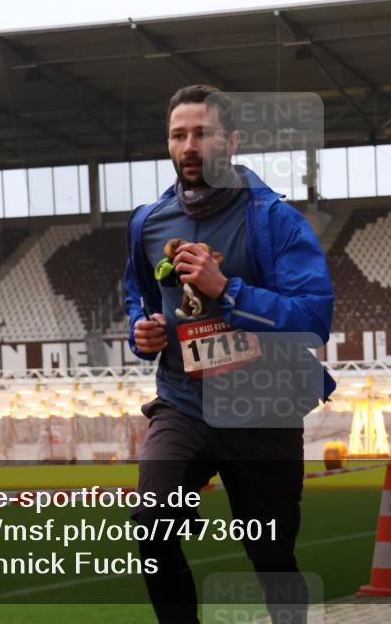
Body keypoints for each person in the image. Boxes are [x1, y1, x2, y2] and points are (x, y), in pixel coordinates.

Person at [123, 84, 335, 623]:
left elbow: (313, 319)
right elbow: (140, 295)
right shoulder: (148, 224)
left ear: (232, 141)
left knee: (271, 557)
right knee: (151, 524)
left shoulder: (274, 220)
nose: (189, 145)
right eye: (178, 135)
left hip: (262, 408)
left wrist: (229, 290)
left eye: (202, 133)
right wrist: (141, 330)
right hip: (183, 404)